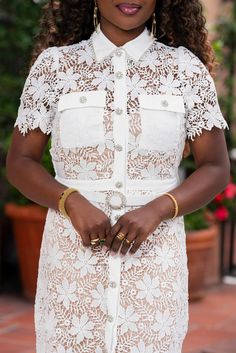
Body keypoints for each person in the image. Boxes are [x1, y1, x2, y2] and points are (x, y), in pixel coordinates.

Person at [6, 0, 230, 352]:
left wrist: (158, 209)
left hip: (154, 269)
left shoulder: (185, 70)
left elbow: (216, 168)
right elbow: (20, 161)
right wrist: (71, 201)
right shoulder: (55, 67)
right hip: (72, 268)